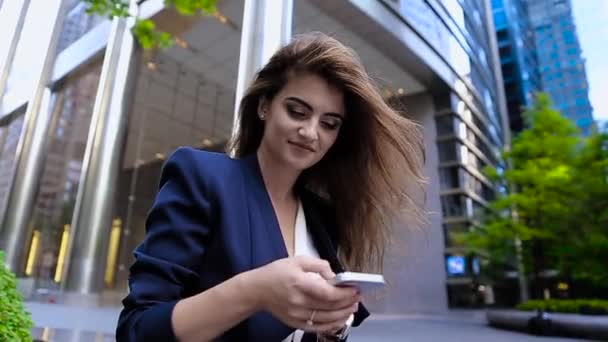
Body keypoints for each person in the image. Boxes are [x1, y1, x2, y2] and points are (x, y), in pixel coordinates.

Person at [116, 32, 425, 342]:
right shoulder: (203, 176)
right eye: (297, 111)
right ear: (264, 106)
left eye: (329, 123)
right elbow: (137, 329)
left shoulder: (322, 216)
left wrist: (333, 325)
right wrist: (255, 291)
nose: (310, 132)